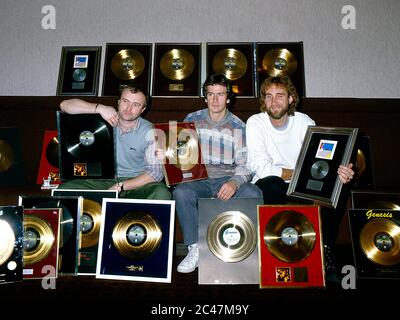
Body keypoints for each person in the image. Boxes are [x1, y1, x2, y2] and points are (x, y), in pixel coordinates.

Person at [246, 76, 355, 280]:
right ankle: (274, 253)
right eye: (268, 96)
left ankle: (326, 252)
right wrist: (299, 173)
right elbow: (262, 169)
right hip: (272, 186)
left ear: (290, 99)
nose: (274, 101)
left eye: (280, 96)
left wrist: (340, 169)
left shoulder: (304, 121)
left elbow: (320, 159)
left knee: (340, 182)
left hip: (303, 186)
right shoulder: (255, 122)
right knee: (273, 183)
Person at [173, 74, 262, 273]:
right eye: (210, 94)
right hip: (199, 180)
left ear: (228, 98)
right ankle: (194, 248)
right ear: (205, 97)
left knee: (253, 192)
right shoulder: (192, 119)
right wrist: (172, 162)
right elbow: (182, 157)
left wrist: (234, 183)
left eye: (220, 95)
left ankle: (248, 249)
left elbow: (246, 165)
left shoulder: (239, 126)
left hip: (227, 177)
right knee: (181, 192)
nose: (214, 100)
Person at [58, 86, 171, 200]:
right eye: (125, 101)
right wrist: (99, 108)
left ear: (143, 109)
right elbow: (64, 106)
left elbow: (155, 172)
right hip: (102, 181)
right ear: (118, 101)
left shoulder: (151, 131)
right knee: (64, 190)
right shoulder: (103, 116)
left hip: (136, 183)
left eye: (136, 105)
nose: (128, 108)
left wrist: (120, 186)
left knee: (162, 193)